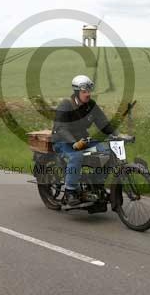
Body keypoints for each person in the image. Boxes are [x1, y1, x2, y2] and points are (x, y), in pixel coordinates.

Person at [51, 74, 118, 206]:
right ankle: (70, 191)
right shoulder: (66, 105)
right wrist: (73, 143)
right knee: (76, 156)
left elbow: (103, 123)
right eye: (84, 91)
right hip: (63, 141)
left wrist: (117, 134)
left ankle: (96, 183)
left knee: (107, 152)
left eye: (89, 91)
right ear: (76, 92)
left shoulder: (91, 105)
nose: (88, 94)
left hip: (82, 139)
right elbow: (61, 128)